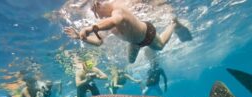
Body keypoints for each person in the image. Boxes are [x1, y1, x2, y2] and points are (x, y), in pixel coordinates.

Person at [64, 0, 192, 63]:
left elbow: (115, 21)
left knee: (160, 46)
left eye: (95, 11)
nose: (96, 15)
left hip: (147, 33)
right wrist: (82, 38)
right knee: (131, 61)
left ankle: (173, 24)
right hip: (134, 42)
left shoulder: (117, 10)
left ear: (99, 5)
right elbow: (99, 42)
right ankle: (144, 47)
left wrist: (90, 28)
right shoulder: (103, 22)